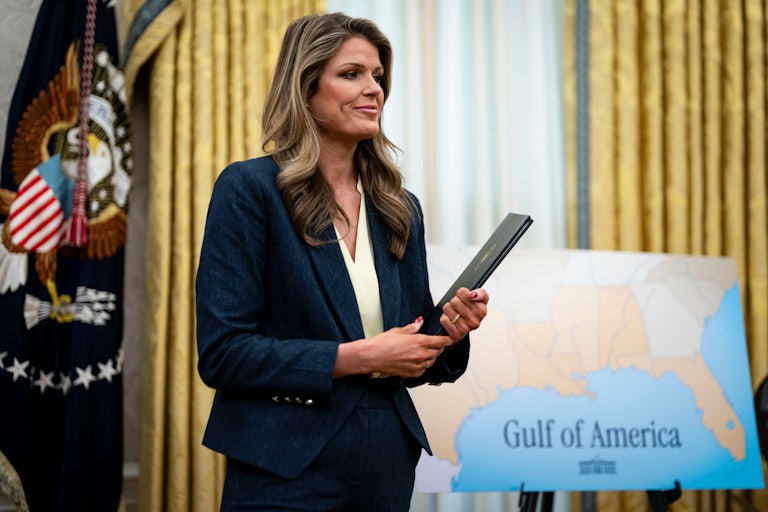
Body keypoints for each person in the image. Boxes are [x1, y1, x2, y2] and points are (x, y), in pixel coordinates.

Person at [195, 11, 490, 511]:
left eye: (378, 76)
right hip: (282, 462)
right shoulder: (249, 191)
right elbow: (224, 353)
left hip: (385, 462)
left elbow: (409, 354)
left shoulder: (400, 207)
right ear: (306, 88)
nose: (373, 88)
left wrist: (448, 334)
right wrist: (360, 357)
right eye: (351, 74)